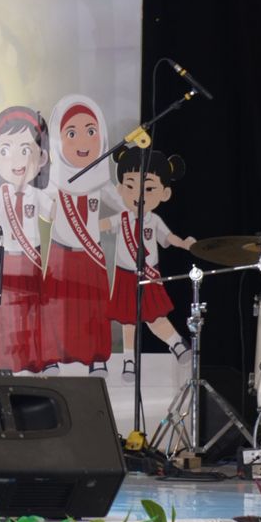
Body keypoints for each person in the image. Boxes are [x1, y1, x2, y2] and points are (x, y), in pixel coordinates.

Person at [42, 94, 120, 375]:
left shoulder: (102, 181)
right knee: (55, 305)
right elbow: (41, 208)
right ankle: (51, 354)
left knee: (94, 306)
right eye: (71, 133)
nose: (83, 142)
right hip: (61, 253)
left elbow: (126, 209)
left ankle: (96, 356)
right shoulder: (54, 180)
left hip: (92, 255)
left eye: (90, 131)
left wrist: (109, 224)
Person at [104, 149, 194, 381]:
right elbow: (103, 225)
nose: (139, 194)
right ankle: (129, 360)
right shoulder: (121, 218)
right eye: (131, 185)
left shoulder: (154, 220)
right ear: (120, 188)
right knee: (128, 320)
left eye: (149, 188)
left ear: (164, 193)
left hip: (149, 276)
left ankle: (175, 343)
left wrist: (184, 244)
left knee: (155, 317)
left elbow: (168, 238)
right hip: (125, 276)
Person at [0, 106, 53, 375]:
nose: (16, 160)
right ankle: (4, 361)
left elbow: (53, 214)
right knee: (5, 313)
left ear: (41, 157)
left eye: (26, 150)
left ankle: (31, 358)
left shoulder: (37, 194)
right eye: (6, 150)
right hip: (4, 259)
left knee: (31, 309)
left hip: (31, 259)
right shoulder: (0, 194)